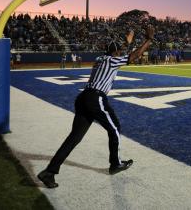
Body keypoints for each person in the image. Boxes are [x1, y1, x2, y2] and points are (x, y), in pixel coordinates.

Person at [37, 27, 155, 189]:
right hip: (95, 98)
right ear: (115, 53)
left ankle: (49, 172)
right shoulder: (112, 61)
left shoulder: (101, 58)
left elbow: (118, 52)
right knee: (114, 129)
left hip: (83, 97)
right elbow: (133, 57)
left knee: (74, 138)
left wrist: (126, 43)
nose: (120, 53)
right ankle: (115, 164)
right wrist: (148, 40)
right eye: (119, 52)